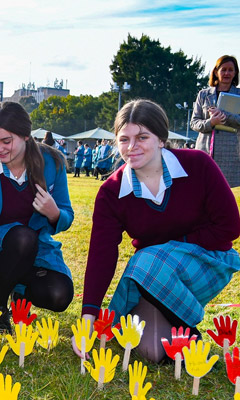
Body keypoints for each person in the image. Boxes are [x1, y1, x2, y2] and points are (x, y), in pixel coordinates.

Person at [81, 99, 240, 362]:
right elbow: (101, 253)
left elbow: (230, 226)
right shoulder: (111, 192)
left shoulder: (198, 165)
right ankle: (186, 332)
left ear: (161, 140)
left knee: (147, 259)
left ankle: (182, 317)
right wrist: (89, 315)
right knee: (152, 352)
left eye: (142, 137)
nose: (132, 147)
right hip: (153, 279)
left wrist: (176, 244)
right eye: (124, 139)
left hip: (207, 261)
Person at [0, 101, 74, 333]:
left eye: (6, 141)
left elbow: (66, 214)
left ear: (26, 136)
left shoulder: (52, 162)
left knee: (59, 295)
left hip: (33, 248)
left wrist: (54, 213)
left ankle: (17, 289)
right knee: (22, 237)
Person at [191, 55, 240, 187]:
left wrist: (225, 115)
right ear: (216, 71)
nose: (227, 73)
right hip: (205, 151)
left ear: (235, 73)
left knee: (230, 196)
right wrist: (211, 122)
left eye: (230, 70)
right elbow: (194, 123)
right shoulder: (203, 94)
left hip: (232, 155)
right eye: (223, 69)